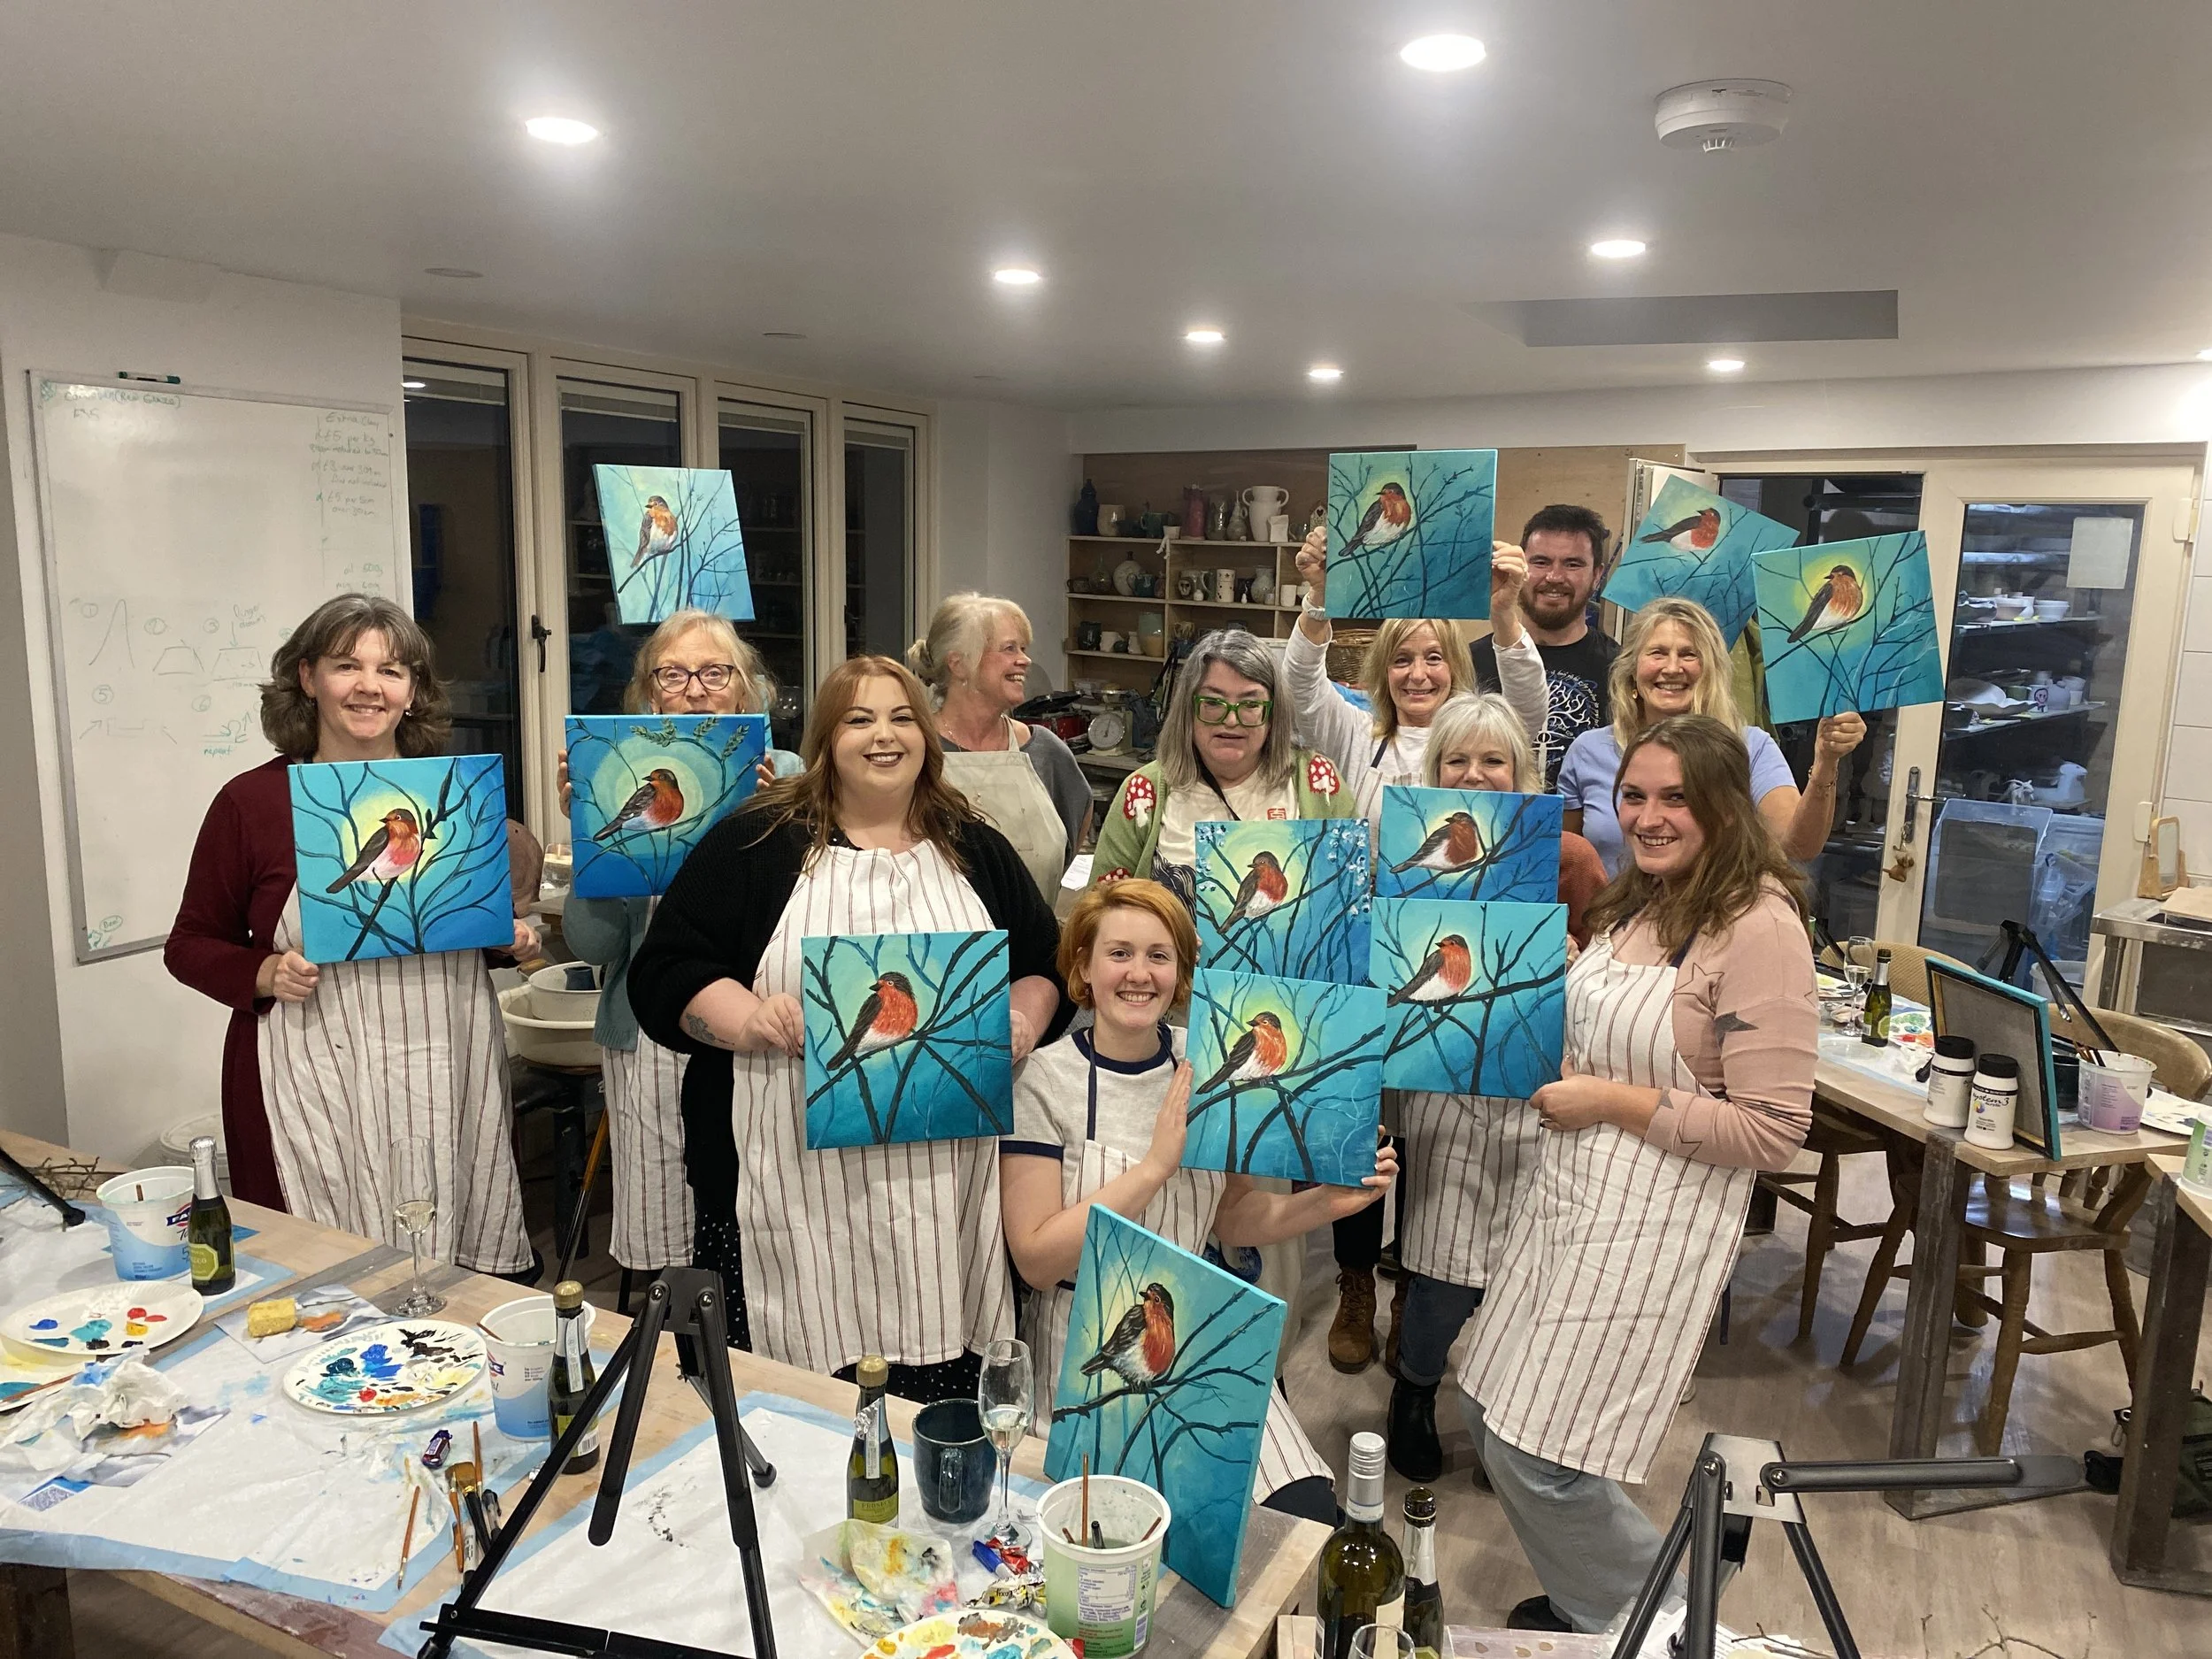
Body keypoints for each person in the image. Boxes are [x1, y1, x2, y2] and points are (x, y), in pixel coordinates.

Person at [1456, 713, 1819, 1633]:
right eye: (1634, 796)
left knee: (1540, 1452)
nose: (1649, 817)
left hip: (1653, 1223)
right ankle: (1600, 1601)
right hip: (1569, 1202)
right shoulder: (1640, 901)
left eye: (1674, 799)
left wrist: (1610, 1100)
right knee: (1494, 1408)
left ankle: (1658, 1621)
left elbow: (1772, 1130)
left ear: (1724, 807)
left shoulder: (1758, 928)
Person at [628, 656, 1066, 1402]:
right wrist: (750, 1018)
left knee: (930, 1406)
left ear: (927, 736)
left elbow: (1043, 963)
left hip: (944, 1186)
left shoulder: (974, 845)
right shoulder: (756, 843)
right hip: (782, 1182)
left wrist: (1022, 1019)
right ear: (827, 737)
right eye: (860, 719)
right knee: (786, 1407)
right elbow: (665, 972)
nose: (883, 735)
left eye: (901, 718)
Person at [1000, 879, 1395, 1524]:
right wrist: (1156, 1167)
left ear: (1182, 971)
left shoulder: (1209, 1062)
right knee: (1128, 1538)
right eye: (1119, 953)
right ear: (1082, 967)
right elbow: (1037, 1258)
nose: (1139, 973)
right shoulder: (1042, 1081)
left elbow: (1232, 1215)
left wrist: (1329, 1203)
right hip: (1088, 1355)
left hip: (1199, 1333)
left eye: (1159, 955)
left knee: (1306, 1519)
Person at [165, 595, 535, 1273]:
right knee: (322, 1275)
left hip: (445, 1055)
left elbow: (457, 922)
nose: (371, 686)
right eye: (347, 665)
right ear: (307, 678)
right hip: (309, 1066)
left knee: (454, 1264)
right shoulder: (251, 803)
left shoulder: (450, 794)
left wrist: (509, 938)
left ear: (413, 690)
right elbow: (190, 943)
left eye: (392, 670)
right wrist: (263, 972)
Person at [1383, 691, 1607, 1479]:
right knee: (1442, 1259)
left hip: (1539, 1079)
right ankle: (1413, 1388)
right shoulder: (1402, 846)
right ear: (1433, 770)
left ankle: (1505, 1411)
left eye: (1493, 760)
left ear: (1522, 771)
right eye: (1457, 760)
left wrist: (1580, 959)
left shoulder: (1566, 859)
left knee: (1528, 1258)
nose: (1475, 774)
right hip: (1442, 1080)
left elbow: (1614, 956)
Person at [559, 611, 802, 1311]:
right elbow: (596, 946)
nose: (695, 689)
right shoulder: (619, 778)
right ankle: (664, 1374)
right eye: (673, 674)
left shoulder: (786, 776)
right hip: (648, 1036)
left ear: (747, 689)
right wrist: (588, 842)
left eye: (715, 672)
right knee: (667, 1230)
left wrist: (774, 823)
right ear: (648, 695)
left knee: (750, 1218)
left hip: (756, 1034)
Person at [1557, 597, 1864, 879]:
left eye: (1689, 654)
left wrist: (1826, 761)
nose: (1673, 667)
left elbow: (1798, 847)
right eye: (1658, 653)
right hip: (1609, 932)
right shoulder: (1589, 750)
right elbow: (1564, 863)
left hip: (1715, 930)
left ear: (1711, 671)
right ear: (1632, 670)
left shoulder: (1749, 747)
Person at [1286, 526, 1548, 823]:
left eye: (1434, 658)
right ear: (1383, 672)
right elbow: (1301, 684)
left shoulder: (1480, 739)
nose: (1418, 674)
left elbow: (1529, 706)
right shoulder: (1354, 734)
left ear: (1456, 665)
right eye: (1401, 660)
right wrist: (1320, 597)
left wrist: (1503, 613)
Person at [1087, 627, 1355, 906]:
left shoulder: (1317, 781)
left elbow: (1348, 899)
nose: (1230, 720)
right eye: (1213, 702)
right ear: (1188, 711)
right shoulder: (1144, 791)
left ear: (1273, 714)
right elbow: (1099, 911)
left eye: (1250, 703)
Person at [908, 593, 1090, 901]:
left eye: (1023, 648)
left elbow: (1079, 819)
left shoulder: (1043, 750)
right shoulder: (915, 748)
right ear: (959, 664)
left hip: (1031, 942)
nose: (1025, 659)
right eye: (1009, 648)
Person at [1471, 504, 1619, 786]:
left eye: (1572, 564)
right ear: (1521, 566)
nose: (1554, 577)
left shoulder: (1621, 669)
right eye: (1541, 562)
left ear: (1597, 575)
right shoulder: (1468, 662)